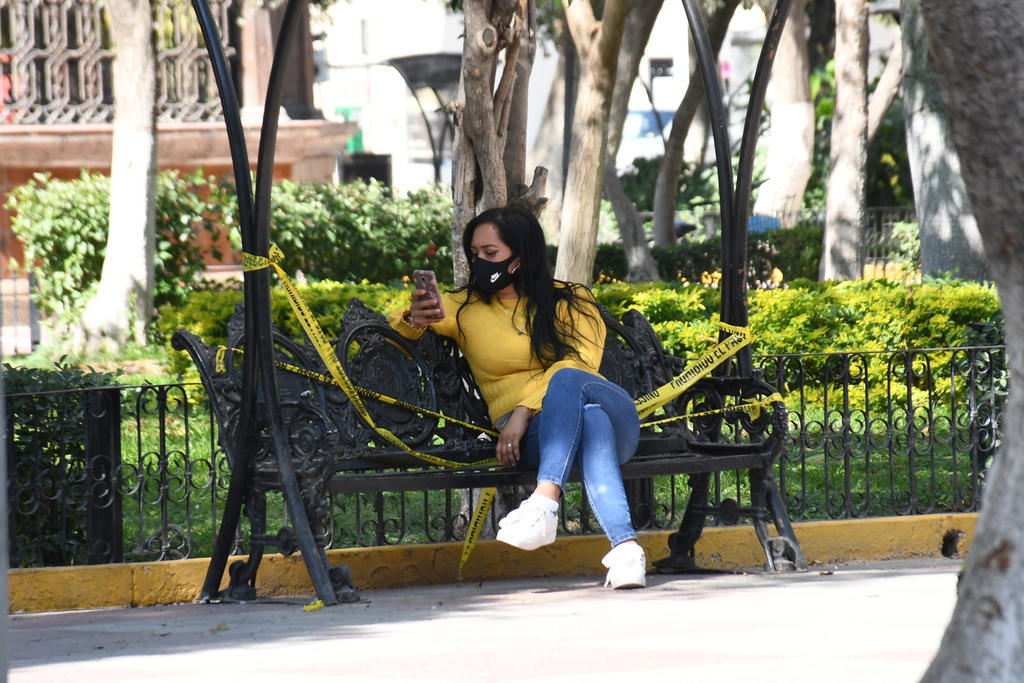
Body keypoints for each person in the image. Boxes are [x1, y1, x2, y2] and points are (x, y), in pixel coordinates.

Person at [388, 206, 646, 589]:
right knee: (592, 421)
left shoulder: (573, 300)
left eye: (490, 253)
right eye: (474, 253)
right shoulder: (464, 308)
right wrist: (415, 319)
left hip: (611, 416)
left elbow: (580, 365)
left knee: (571, 381)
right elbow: (395, 330)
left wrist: (522, 411)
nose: (480, 261)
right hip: (540, 440)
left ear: (520, 257)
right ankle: (627, 551)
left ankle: (544, 503)